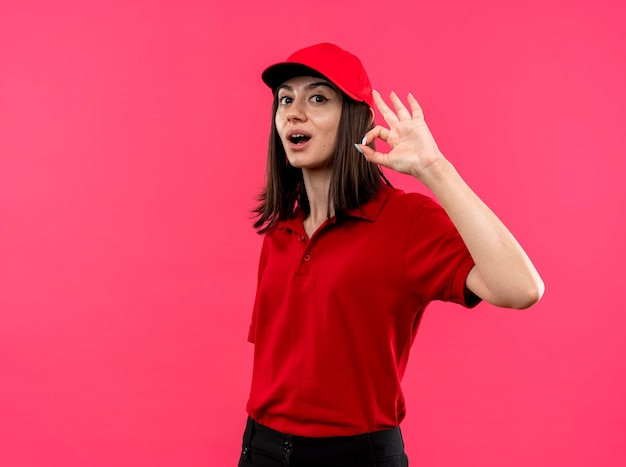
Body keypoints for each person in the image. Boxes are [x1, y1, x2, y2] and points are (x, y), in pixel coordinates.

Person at [239, 43, 544, 467]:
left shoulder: (407, 221)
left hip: (355, 456)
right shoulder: (281, 231)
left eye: (318, 98)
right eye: (285, 99)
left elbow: (521, 288)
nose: (293, 111)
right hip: (261, 449)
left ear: (357, 120)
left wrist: (433, 167)